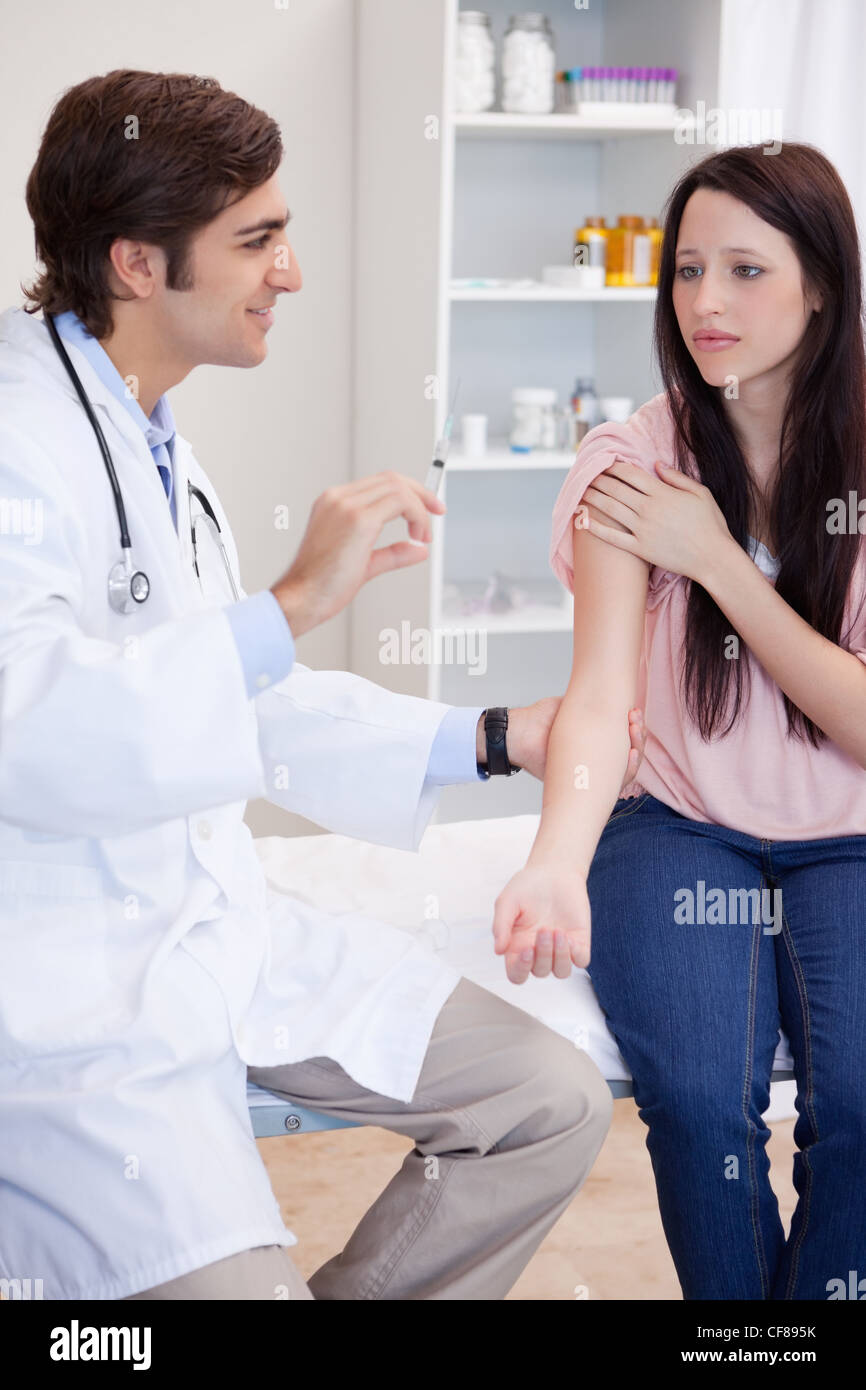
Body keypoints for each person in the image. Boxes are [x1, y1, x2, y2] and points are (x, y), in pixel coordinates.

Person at [0, 69, 648, 1302]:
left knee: (548, 1104)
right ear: (139, 265)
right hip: (68, 988)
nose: (289, 273)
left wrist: (498, 735)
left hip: (217, 932)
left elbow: (231, 699)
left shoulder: (145, 427)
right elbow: (29, 727)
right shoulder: (20, 440)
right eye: (257, 240)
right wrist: (293, 604)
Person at [492, 141, 866, 1300]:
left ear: (820, 283)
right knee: (701, 1100)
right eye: (687, 268)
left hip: (848, 834)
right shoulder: (632, 461)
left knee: (857, 1104)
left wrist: (714, 560)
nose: (704, 302)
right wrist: (555, 860)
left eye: (746, 271)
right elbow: (599, 697)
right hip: (676, 827)